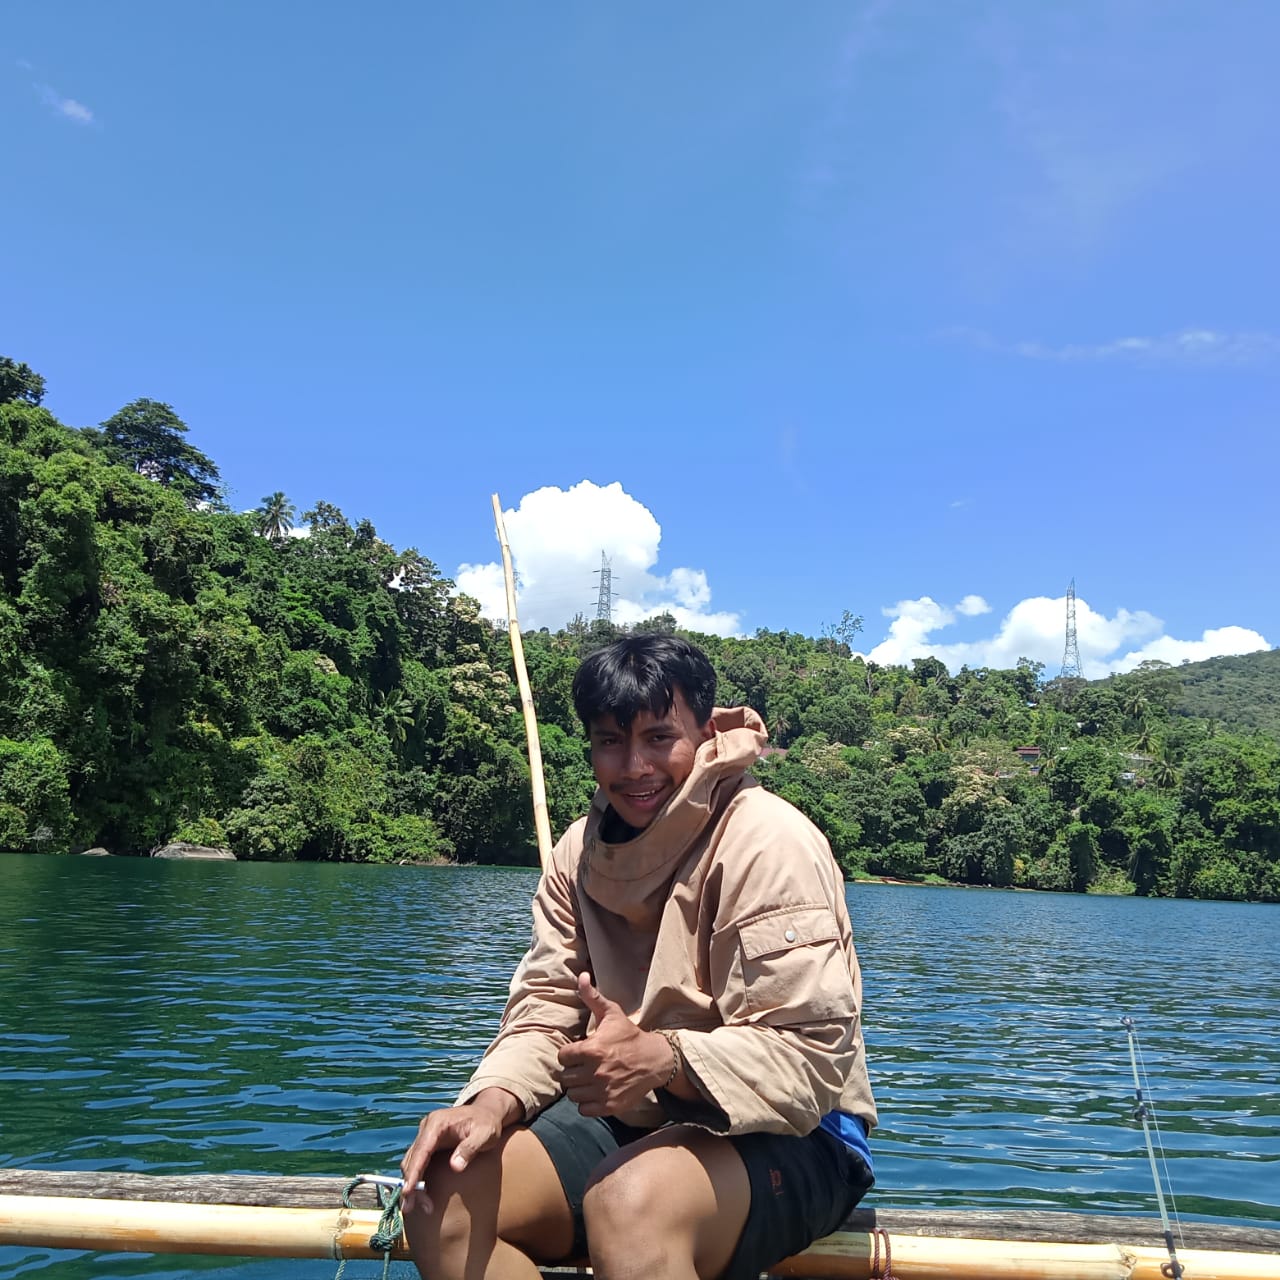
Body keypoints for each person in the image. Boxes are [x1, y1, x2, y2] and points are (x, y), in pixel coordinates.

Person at [401, 634, 876, 1280]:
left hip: (797, 1129)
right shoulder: (578, 854)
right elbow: (544, 1011)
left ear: (707, 733)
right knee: (441, 1194)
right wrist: (491, 1102)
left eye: (659, 738)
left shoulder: (767, 843)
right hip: (637, 1115)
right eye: (609, 742)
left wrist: (664, 1058)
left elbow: (811, 1060)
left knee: (629, 1202)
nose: (634, 767)